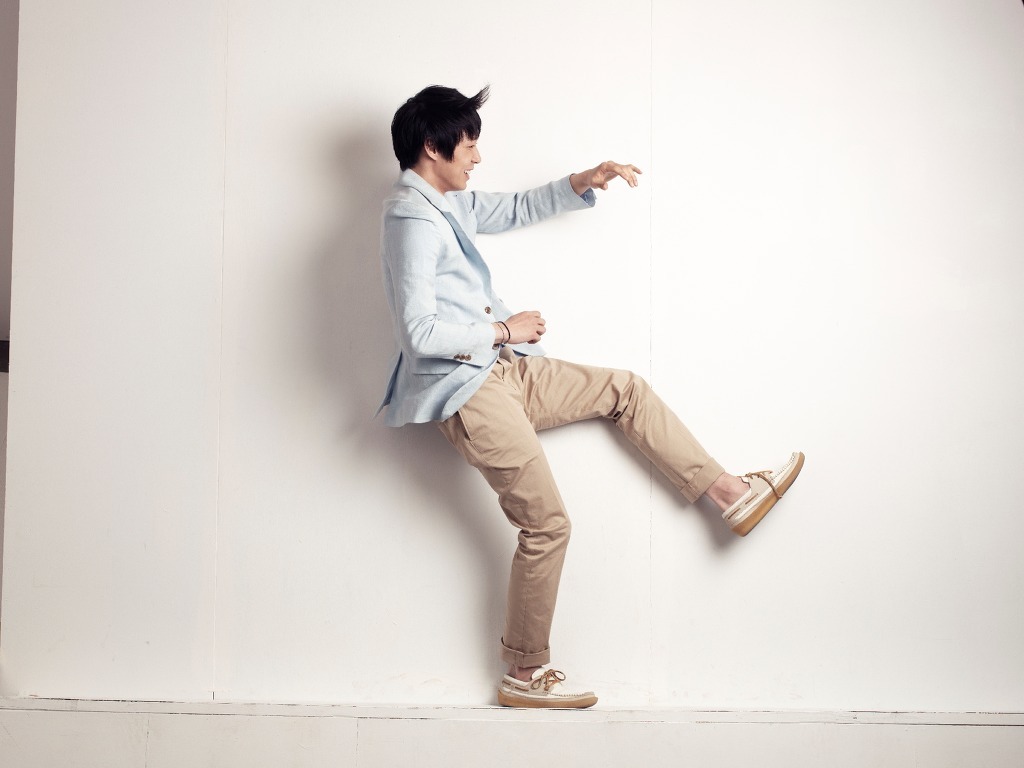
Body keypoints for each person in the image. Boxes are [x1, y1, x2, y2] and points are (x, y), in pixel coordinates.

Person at [377, 84, 804, 709]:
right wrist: (505, 330)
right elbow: (419, 334)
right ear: (432, 147)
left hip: (504, 372)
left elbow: (512, 208)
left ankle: (730, 494)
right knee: (547, 525)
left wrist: (583, 181)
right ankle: (524, 674)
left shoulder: (444, 204)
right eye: (468, 145)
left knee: (624, 389)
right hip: (468, 390)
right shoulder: (411, 221)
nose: (478, 157)